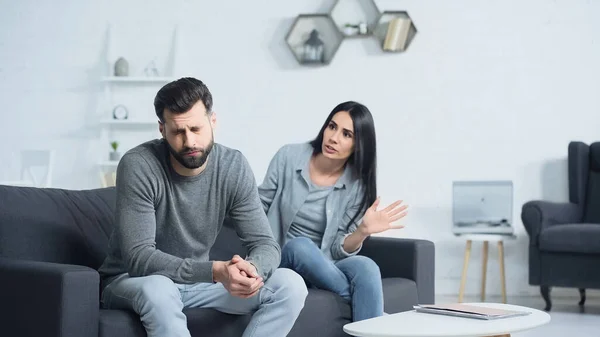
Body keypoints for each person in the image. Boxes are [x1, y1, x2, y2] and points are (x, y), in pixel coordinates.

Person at [97, 77, 308, 337]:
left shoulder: (233, 166)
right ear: (162, 130)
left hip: (197, 283)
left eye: (196, 129)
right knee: (160, 289)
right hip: (133, 280)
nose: (189, 142)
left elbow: (265, 243)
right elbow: (139, 258)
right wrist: (215, 271)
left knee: (290, 285)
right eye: (178, 132)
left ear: (213, 122)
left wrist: (251, 270)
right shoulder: (139, 165)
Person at [258, 101, 408, 322]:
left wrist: (362, 232)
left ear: (358, 145)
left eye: (347, 134)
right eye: (332, 127)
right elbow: (259, 206)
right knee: (300, 245)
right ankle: (371, 315)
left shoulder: (358, 183)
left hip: (327, 264)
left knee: (366, 266)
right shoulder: (289, 156)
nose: (334, 138)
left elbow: (338, 248)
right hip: (284, 256)